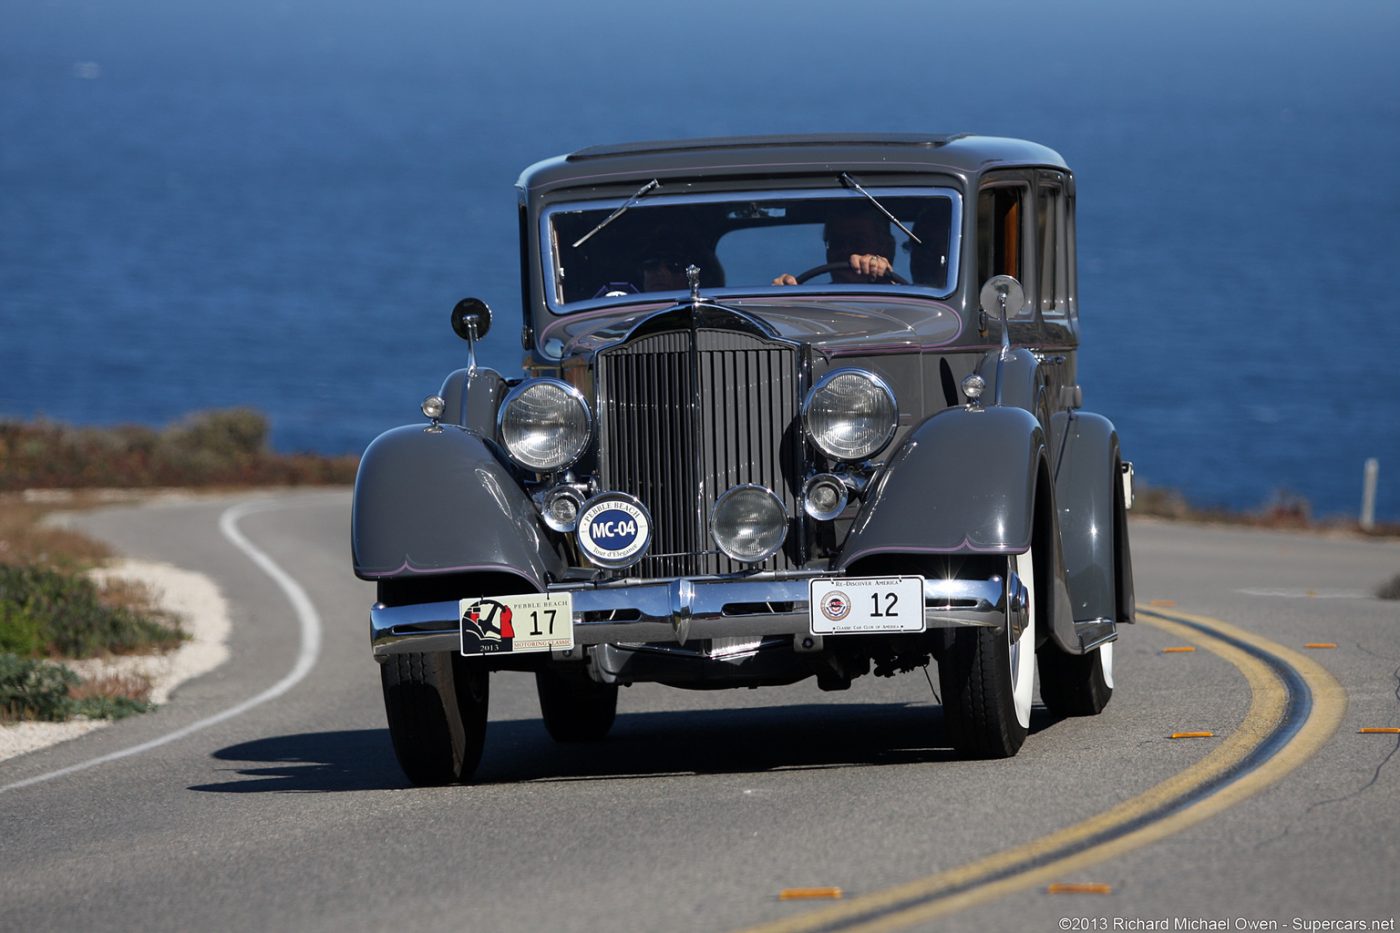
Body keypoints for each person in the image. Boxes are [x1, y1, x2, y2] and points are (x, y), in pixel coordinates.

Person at [773, 204, 896, 285]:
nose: (847, 252)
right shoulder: (813, 302)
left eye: (858, 242)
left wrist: (885, 278)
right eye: (837, 243)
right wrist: (783, 299)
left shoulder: (903, 301)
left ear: (884, 247)